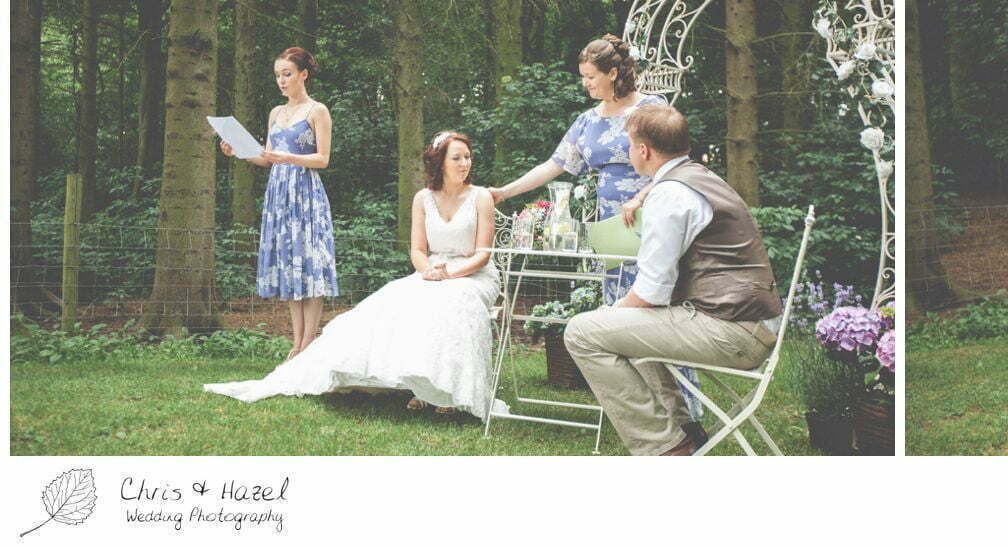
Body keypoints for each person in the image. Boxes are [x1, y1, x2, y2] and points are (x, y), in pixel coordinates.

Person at [485, 35, 703, 432]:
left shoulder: (652, 110)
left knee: (657, 311)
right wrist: (506, 191)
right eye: (583, 76)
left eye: (590, 76)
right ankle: (643, 415)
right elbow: (554, 165)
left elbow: (680, 165)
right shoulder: (587, 122)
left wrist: (642, 195)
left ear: (614, 73)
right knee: (620, 316)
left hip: (654, 218)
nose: (585, 84)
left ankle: (684, 412)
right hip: (610, 228)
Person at [206, 131, 508, 418]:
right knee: (394, 297)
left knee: (451, 302)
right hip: (431, 271)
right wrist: (428, 271)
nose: (465, 164)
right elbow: (417, 250)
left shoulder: (481, 197)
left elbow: (483, 255)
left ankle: (448, 391)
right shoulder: (423, 198)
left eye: (467, 157)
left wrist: (451, 275)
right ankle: (421, 385)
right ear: (440, 161)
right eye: (457, 158)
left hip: (473, 274)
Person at [562, 105, 782, 456]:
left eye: (630, 145)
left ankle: (664, 449)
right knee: (625, 329)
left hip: (732, 331)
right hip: (748, 322)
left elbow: (651, 291)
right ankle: (684, 430)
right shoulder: (695, 177)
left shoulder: (671, 194)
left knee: (583, 332)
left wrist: (612, 311)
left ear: (644, 150)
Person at [219, 47, 339, 361]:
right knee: (289, 264)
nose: (281, 81)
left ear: (303, 74)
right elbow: (265, 158)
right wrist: (238, 151)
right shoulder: (276, 113)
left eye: (287, 74)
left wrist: (289, 158)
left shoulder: (317, 111)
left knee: (309, 264)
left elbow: (323, 159)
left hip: (306, 193)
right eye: (277, 75)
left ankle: (309, 344)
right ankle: (296, 344)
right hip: (279, 195)